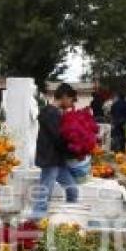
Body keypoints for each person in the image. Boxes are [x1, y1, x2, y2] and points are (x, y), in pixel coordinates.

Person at [32, 83, 79, 218]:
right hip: (50, 160)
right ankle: (35, 223)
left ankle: (71, 217)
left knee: (72, 190)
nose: (71, 104)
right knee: (44, 194)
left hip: (57, 160)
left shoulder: (55, 113)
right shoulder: (51, 113)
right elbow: (58, 138)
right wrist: (73, 149)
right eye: (71, 100)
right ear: (64, 97)